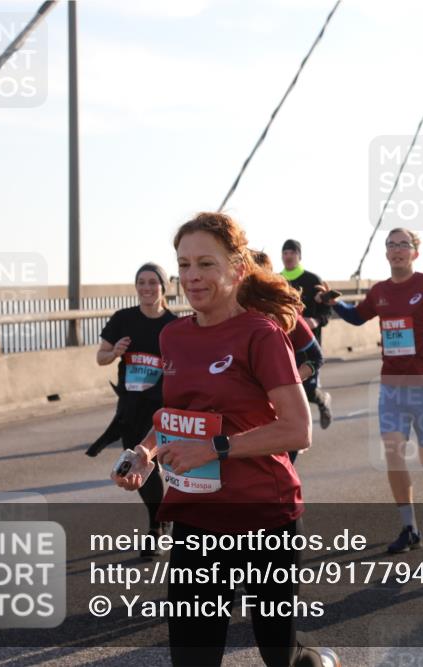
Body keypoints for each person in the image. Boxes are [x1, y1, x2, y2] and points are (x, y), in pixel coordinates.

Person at [110, 213, 337, 667]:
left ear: (236, 269)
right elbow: (177, 418)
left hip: (263, 514)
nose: (192, 276)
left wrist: (214, 449)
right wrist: (145, 452)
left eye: (206, 264)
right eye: (185, 264)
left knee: (279, 652)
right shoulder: (173, 336)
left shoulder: (262, 333)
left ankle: (316, 661)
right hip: (196, 514)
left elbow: (298, 430)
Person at [327, 228, 423, 554]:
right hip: (392, 388)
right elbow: (356, 317)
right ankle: (410, 528)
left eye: (403, 244)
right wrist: (334, 302)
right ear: (386, 253)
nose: (397, 249)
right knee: (393, 451)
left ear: (414, 252)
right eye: (391, 244)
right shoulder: (380, 291)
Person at [88, 262, 177, 559]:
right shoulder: (123, 319)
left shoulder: (175, 326)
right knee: (136, 460)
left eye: (153, 282)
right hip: (130, 406)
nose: (147, 288)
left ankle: (155, 528)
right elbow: (101, 358)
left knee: (148, 460)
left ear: (164, 287)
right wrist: (114, 353)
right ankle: (159, 521)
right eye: (142, 282)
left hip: (161, 405)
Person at [252, 250, 325, 464]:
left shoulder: (283, 311)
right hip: (246, 417)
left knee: (278, 480)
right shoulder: (228, 313)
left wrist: (283, 383)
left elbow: (316, 358)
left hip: (281, 415)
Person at [281, 239, 333, 429]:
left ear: (299, 256)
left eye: (292, 253)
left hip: (308, 344)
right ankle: (295, 432)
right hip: (284, 344)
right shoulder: (277, 280)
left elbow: (327, 312)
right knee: (288, 390)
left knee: (309, 390)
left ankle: (322, 399)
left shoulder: (313, 280)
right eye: (285, 253)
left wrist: (316, 321)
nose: (288, 256)